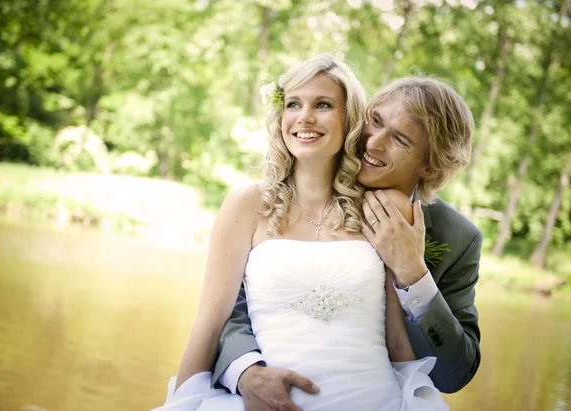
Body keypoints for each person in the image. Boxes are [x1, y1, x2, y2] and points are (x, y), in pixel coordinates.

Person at [152, 54, 449, 411]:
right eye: (293, 104)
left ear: (348, 119)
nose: (305, 117)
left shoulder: (380, 212)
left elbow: (396, 341)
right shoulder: (247, 204)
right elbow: (210, 323)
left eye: (322, 105)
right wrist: (183, 402)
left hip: (375, 400)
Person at [213, 77, 481, 409]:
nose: (373, 143)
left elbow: (454, 375)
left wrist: (413, 272)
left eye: (399, 139)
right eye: (376, 122)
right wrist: (244, 371)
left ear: (429, 164)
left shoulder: (458, 238)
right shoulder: (309, 178)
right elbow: (229, 307)